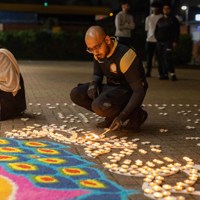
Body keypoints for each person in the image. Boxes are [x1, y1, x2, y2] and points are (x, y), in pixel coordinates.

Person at [70, 25, 148, 132]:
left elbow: (139, 91)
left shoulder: (125, 56)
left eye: (97, 47)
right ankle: (111, 116)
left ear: (107, 40)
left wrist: (122, 116)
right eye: (91, 49)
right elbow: (97, 74)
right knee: (76, 94)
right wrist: (94, 83)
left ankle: (136, 115)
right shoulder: (97, 52)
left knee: (99, 106)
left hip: (128, 91)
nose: (95, 52)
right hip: (112, 88)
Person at [155, 2, 180, 81]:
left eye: (167, 8)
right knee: (160, 58)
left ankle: (172, 74)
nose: (165, 10)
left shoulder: (174, 20)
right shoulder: (160, 20)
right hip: (159, 42)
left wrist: (175, 41)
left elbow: (177, 31)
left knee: (167, 57)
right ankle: (164, 74)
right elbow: (156, 30)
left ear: (170, 10)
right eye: (164, 8)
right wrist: (157, 38)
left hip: (168, 42)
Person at [0, 47, 26, 120]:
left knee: (5, 114)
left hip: (9, 85)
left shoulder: (2, 54)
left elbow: (5, 75)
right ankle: (14, 110)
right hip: (11, 83)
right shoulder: (3, 51)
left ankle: (10, 110)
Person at [145, 1, 162, 77]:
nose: (154, 9)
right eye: (153, 8)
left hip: (159, 40)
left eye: (156, 8)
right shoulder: (148, 18)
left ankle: (161, 73)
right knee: (149, 57)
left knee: (159, 57)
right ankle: (148, 72)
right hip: (149, 40)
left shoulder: (161, 17)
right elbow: (147, 29)